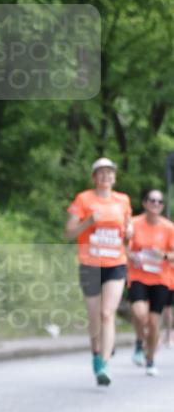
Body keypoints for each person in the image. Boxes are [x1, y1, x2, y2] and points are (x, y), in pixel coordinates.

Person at [64, 158, 132, 386]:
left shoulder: (123, 200)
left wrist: (130, 232)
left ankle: (104, 362)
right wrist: (87, 223)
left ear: (114, 177)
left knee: (107, 313)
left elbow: (128, 227)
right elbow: (68, 234)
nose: (105, 176)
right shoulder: (84, 199)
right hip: (90, 263)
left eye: (109, 172)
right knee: (94, 317)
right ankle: (96, 352)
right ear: (94, 177)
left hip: (115, 262)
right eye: (101, 173)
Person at [127, 188, 174, 376]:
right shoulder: (134, 224)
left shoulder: (169, 228)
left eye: (159, 202)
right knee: (140, 314)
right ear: (145, 203)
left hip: (160, 279)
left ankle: (150, 359)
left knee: (154, 323)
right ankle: (140, 342)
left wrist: (162, 254)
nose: (156, 204)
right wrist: (134, 256)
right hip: (138, 275)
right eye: (152, 201)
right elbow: (125, 247)